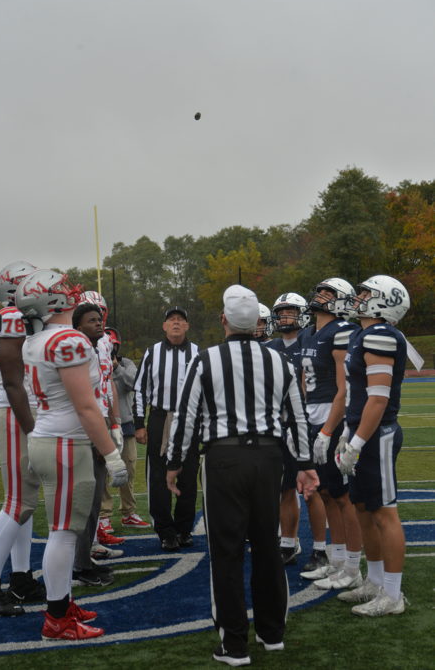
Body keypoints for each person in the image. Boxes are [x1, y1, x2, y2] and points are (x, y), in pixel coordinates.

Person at [166, 285, 319, 667]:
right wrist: (304, 463)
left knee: (227, 551)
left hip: (223, 459)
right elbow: (297, 416)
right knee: (267, 545)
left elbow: (185, 416)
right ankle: (272, 633)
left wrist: (174, 462)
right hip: (268, 458)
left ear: (223, 320)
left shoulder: (205, 360)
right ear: (257, 324)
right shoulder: (280, 362)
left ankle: (234, 645)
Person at [15, 269, 128, 640]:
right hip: (66, 443)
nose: (71, 291)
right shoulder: (67, 339)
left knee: (62, 531)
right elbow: (86, 407)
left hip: (48, 438)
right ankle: (57, 618)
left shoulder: (37, 338)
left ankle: (63, 602)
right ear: (51, 300)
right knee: (64, 534)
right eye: (61, 289)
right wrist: (111, 454)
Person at [336, 275, 410, 615]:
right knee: (363, 508)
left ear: (385, 301)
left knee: (384, 512)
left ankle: (392, 595)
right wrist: (347, 433)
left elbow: (378, 399)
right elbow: (357, 394)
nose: (359, 297)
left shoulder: (381, 335)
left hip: (377, 434)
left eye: (366, 293)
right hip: (361, 431)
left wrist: (357, 442)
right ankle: (375, 581)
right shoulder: (362, 334)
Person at [0, 260, 45, 616]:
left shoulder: (14, 317)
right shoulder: (11, 317)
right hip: (14, 412)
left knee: (26, 501)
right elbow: (13, 378)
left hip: (20, 410)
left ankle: (21, 577)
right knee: (17, 501)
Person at [299, 278, 363, 590]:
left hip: (333, 417)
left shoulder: (342, 331)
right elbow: (304, 380)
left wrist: (328, 430)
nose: (321, 296)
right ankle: (336, 561)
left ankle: (352, 565)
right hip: (313, 415)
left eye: (329, 293)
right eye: (320, 291)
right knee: (325, 492)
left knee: (343, 495)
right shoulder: (308, 331)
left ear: (343, 302)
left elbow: (344, 388)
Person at [133, 306, 200, 551]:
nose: (176, 323)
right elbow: (140, 389)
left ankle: (183, 529)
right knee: (158, 476)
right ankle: (165, 531)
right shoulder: (152, 352)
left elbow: (205, 388)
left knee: (188, 475)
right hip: (160, 418)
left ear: (187, 326)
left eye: (181, 319)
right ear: (164, 326)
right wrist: (139, 424)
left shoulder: (197, 352)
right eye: (171, 319)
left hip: (189, 419)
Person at [71, 303, 123, 586]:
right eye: (92, 319)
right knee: (83, 498)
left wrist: (113, 423)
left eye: (100, 318)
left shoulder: (99, 346)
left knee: (94, 496)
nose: (99, 323)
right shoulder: (74, 349)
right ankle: (78, 565)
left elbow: (105, 387)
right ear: (77, 325)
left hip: (98, 420)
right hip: (83, 426)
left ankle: (84, 558)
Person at [266, 292, 310, 565]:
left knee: (291, 488)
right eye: (281, 312)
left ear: (302, 314)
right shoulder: (269, 347)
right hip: (274, 425)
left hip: (300, 425)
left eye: (290, 311)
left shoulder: (310, 343)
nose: (284, 317)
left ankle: (290, 542)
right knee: (274, 487)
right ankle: (277, 538)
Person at [99, 327, 150, 532]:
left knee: (128, 469)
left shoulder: (127, 363)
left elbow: (135, 385)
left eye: (113, 347)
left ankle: (129, 512)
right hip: (102, 424)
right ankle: (104, 514)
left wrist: (116, 368)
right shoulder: (92, 362)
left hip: (126, 424)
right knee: (103, 471)